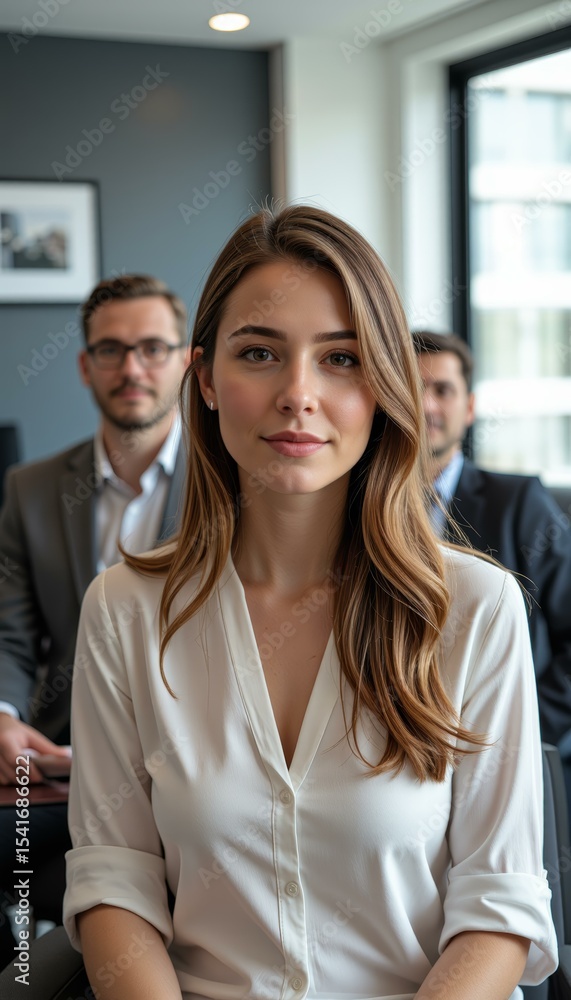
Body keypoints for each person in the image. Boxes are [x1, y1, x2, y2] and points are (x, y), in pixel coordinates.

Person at [63, 207, 556, 1000]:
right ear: (206, 381)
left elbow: (498, 903)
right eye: (258, 353)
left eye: (341, 359)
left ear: (385, 385)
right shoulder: (125, 606)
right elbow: (114, 877)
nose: (298, 395)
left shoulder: (473, 605)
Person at [0, 273, 190, 963]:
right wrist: (3, 711)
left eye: (151, 348)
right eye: (110, 350)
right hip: (57, 770)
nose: (131, 368)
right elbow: (13, 634)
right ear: (84, 365)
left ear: (185, 360)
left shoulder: (235, 480)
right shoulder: (33, 487)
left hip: (188, 771)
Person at [412, 330, 571, 755]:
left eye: (442, 390)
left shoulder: (519, 502)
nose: (426, 405)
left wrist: (523, 736)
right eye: (412, 388)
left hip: (508, 747)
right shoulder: (358, 508)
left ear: (469, 408)